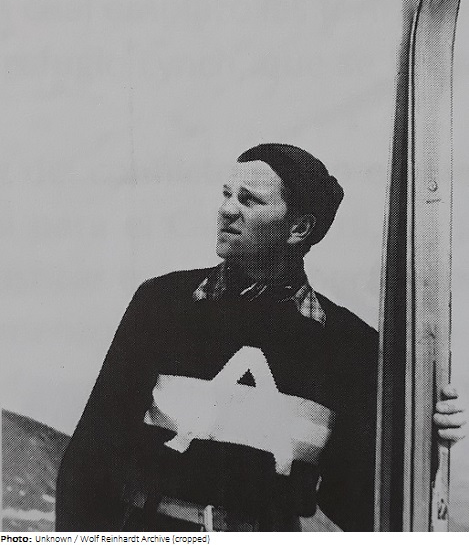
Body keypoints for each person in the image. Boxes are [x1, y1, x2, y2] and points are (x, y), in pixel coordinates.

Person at [56, 143, 465, 532]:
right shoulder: (163, 303)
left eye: (249, 200)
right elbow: (91, 459)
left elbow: (357, 503)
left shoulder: (350, 346)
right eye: (226, 194)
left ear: (299, 228)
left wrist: (423, 438)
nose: (226, 210)